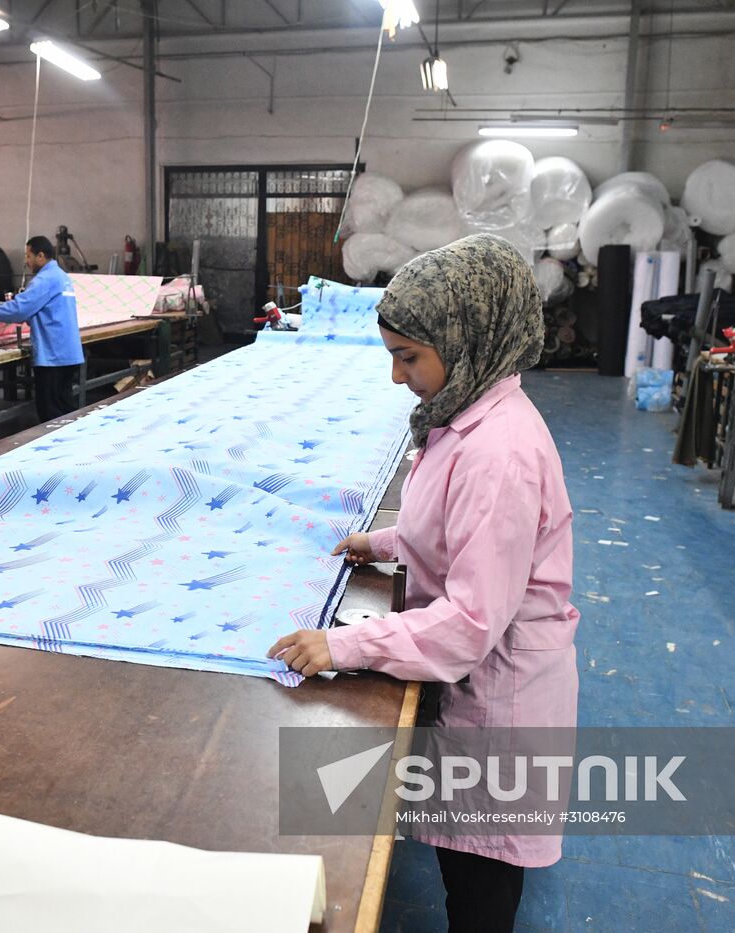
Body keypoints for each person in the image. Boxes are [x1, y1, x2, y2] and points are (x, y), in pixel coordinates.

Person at [267, 234, 579, 933]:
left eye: (408, 357)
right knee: (464, 866)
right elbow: (450, 528)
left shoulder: (499, 454)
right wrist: (382, 543)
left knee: (479, 886)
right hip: (481, 681)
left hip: (500, 698)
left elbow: (470, 622)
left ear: (465, 339)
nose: (396, 376)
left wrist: (344, 645)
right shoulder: (467, 413)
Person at [0, 236, 84, 421]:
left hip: (53, 356)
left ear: (40, 256)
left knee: (51, 414)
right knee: (65, 409)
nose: (26, 261)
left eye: (28, 256)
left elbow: (19, 309)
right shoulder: (62, 276)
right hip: (67, 353)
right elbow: (46, 311)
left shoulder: (45, 279)